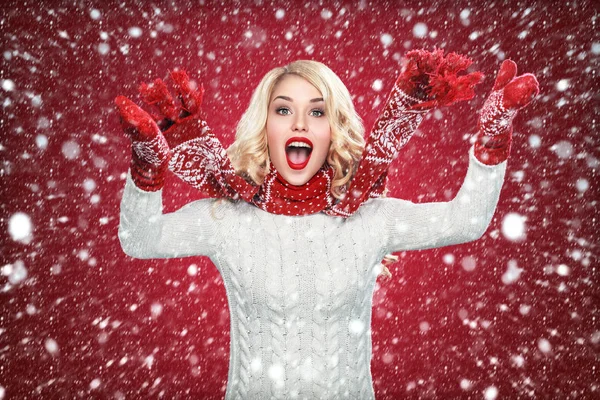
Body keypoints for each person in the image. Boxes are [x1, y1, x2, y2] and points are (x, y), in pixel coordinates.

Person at [115, 50, 538, 399]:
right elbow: (140, 239)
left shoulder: (369, 218)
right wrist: (148, 167)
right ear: (266, 127)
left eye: (316, 112)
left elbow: (466, 220)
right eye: (284, 110)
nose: (299, 123)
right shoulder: (228, 219)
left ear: (333, 131)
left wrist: (493, 137)